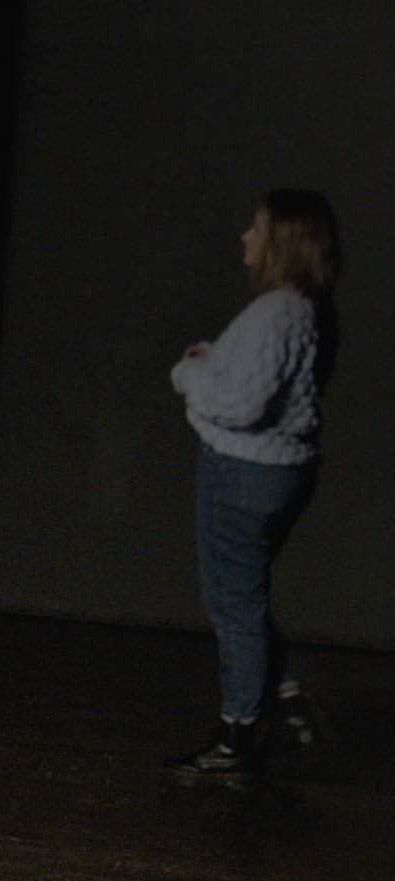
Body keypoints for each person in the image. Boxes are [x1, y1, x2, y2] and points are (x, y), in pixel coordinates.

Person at [165, 189, 339, 783]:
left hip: (243, 472)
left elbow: (241, 403)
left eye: (256, 228)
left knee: (232, 604)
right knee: (246, 596)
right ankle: (286, 698)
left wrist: (190, 373)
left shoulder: (274, 313)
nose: (245, 237)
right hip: (280, 471)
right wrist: (215, 359)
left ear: (282, 242)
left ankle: (236, 739)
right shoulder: (303, 310)